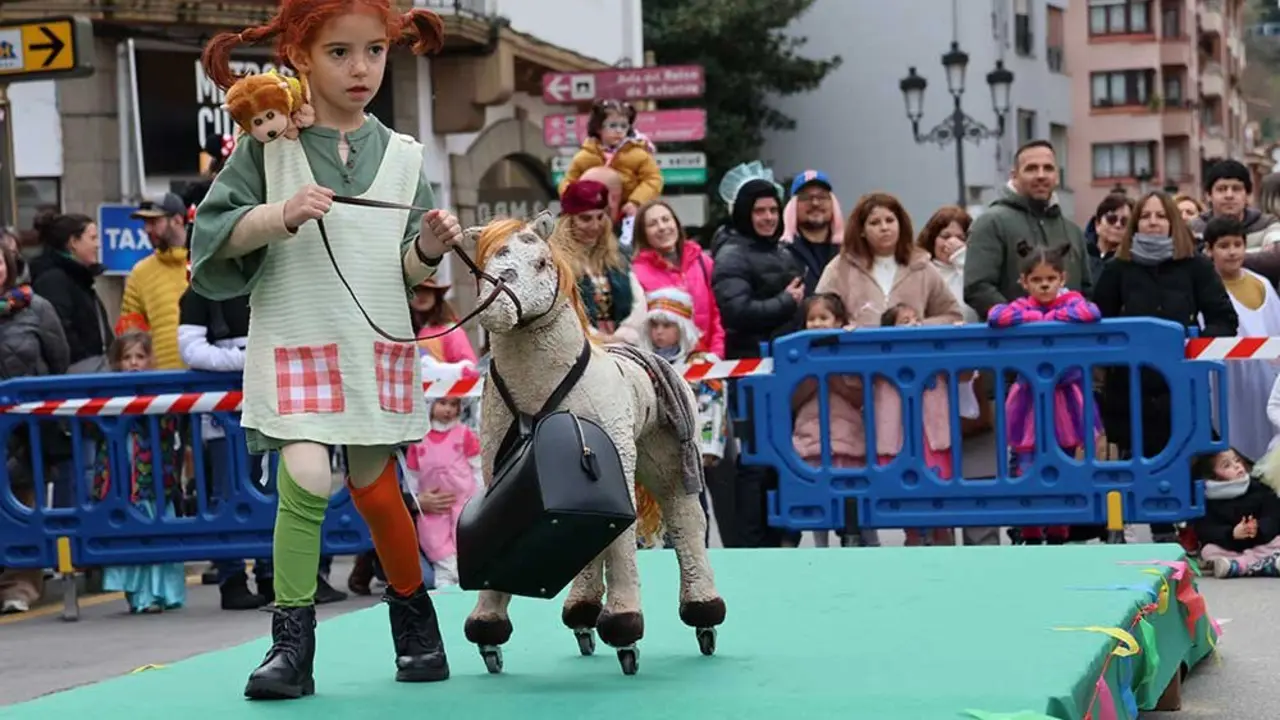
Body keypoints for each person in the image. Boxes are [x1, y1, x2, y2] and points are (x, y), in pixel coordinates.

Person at [192, 0, 460, 698]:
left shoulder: (404, 157)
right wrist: (278, 215)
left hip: (376, 342)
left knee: (376, 491)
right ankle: (291, 645)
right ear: (299, 58)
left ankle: (414, 619)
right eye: (339, 52)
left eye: (373, 50)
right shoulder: (267, 144)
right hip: (295, 333)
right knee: (307, 476)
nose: (360, 67)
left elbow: (405, 268)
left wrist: (428, 247)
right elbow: (214, 234)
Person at [1094, 191, 1238, 543]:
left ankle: (1181, 527)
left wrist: (1194, 347)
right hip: (1130, 382)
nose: (1153, 222)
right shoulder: (1118, 267)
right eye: (1146, 216)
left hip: (1180, 380)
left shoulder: (1195, 266)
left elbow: (1223, 319)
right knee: (1131, 451)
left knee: (1184, 451)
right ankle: (1122, 523)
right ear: (1136, 223)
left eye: (1161, 216)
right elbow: (1099, 321)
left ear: (1173, 221)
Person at [987, 241, 1103, 545]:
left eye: (1050, 279)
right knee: (1026, 464)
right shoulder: (1022, 306)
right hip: (1029, 399)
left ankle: (1058, 530)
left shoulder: (1072, 301)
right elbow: (995, 316)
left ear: (1062, 279)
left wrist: (1052, 318)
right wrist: (1033, 318)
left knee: (1062, 462)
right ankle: (1029, 530)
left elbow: (1091, 312)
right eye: (1036, 280)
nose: (1044, 285)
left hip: (1064, 397)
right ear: (1024, 282)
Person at [710, 162, 802, 547]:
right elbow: (736, 312)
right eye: (759, 210)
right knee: (755, 460)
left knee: (783, 455)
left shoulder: (781, 251)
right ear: (745, 212)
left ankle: (781, 533)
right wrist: (785, 302)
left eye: (772, 210)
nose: (767, 217)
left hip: (785, 373)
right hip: (752, 375)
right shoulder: (732, 254)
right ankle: (752, 541)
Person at [94, 331, 189, 613]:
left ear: (151, 360)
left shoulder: (160, 392)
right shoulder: (109, 393)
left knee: (159, 525)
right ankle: (139, 595)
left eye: (140, 356)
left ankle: (164, 592)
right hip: (124, 475)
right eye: (127, 357)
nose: (133, 363)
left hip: (155, 476)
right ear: (116, 362)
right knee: (131, 527)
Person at [0, 244, 70, 614]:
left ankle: (20, 585)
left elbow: (59, 359)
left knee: (23, 501)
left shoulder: (36, 308)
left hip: (23, 428)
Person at [963, 140, 1091, 321]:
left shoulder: (1073, 231)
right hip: (1012, 343)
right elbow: (978, 288)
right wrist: (1022, 321)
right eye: (1031, 168)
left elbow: (1086, 290)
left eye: (1048, 168)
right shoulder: (990, 223)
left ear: (1057, 176)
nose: (1041, 175)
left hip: (1068, 342)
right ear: (1014, 176)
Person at [635, 287, 723, 548]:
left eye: (667, 324)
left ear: (682, 327)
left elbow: (714, 406)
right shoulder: (639, 361)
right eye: (654, 325)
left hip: (687, 454)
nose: (659, 331)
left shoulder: (703, 361)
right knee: (646, 519)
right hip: (648, 455)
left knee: (691, 515)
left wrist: (708, 448)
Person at [789, 292, 878, 548]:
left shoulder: (849, 351)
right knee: (819, 498)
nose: (817, 324)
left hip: (847, 434)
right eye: (811, 319)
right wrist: (813, 376)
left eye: (823, 317)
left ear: (838, 321)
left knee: (854, 494)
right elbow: (792, 398)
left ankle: (865, 540)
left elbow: (860, 394)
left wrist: (832, 375)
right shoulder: (797, 355)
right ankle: (820, 546)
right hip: (811, 435)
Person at [1202, 217, 1280, 462]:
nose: (1232, 252)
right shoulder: (1206, 290)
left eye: (1238, 244)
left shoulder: (1263, 285)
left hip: (1265, 381)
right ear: (1209, 250)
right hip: (1225, 381)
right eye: (1224, 246)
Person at [556, 179, 647, 344]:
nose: (595, 225)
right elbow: (561, 309)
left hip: (623, 346)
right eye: (585, 218)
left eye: (600, 217)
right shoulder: (556, 262)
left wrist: (624, 334)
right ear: (567, 220)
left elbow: (639, 301)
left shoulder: (618, 256)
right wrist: (597, 338)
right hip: (579, 348)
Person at [630, 200, 725, 357]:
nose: (662, 227)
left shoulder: (702, 261)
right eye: (653, 224)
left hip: (706, 361)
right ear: (643, 233)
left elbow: (717, 314)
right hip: (665, 363)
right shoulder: (637, 272)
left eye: (666, 219)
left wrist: (716, 354)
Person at [404, 397, 480, 588]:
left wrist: (479, 499)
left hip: (463, 506)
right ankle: (445, 591)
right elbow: (411, 478)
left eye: (453, 405)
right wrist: (415, 500)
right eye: (442, 403)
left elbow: (477, 468)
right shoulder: (418, 440)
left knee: (466, 555)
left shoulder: (464, 435)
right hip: (432, 513)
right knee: (443, 562)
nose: (448, 409)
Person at [29, 213, 113, 374]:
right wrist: (86, 360)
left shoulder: (79, 279)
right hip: (77, 377)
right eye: (93, 238)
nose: (98, 245)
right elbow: (59, 333)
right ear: (73, 242)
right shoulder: (54, 281)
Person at [118, 192, 191, 369]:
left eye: (154, 222)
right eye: (145, 223)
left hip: (211, 380)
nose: (147, 230)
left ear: (177, 220)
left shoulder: (206, 264)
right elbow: (130, 336)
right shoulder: (140, 273)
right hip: (161, 384)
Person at [556, 99, 662, 217]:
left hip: (628, 214)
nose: (619, 131)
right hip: (592, 213)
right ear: (598, 128)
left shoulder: (639, 154)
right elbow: (567, 182)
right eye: (613, 125)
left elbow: (653, 179)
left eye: (624, 126)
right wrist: (576, 202)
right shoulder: (585, 156)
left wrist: (636, 201)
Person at [1192, 448, 1280, 578]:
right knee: (1208, 550)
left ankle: (1239, 566)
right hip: (1231, 547)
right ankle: (1263, 565)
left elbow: (1274, 514)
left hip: (1261, 542)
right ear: (1213, 476)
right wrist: (1231, 533)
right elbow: (1206, 528)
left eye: (1237, 460)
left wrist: (1258, 528)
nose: (1237, 466)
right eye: (1227, 465)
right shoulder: (1209, 499)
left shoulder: (1258, 488)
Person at [1187, 159, 1280, 250]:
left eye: (1236, 189)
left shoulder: (1267, 224)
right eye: (1221, 189)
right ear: (1208, 195)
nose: (1229, 195)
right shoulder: (1193, 228)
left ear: (1248, 195)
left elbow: (1277, 255)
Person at [781, 170, 844, 296]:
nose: (815, 203)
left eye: (822, 197)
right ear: (792, 206)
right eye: (806, 198)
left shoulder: (849, 250)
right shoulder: (781, 252)